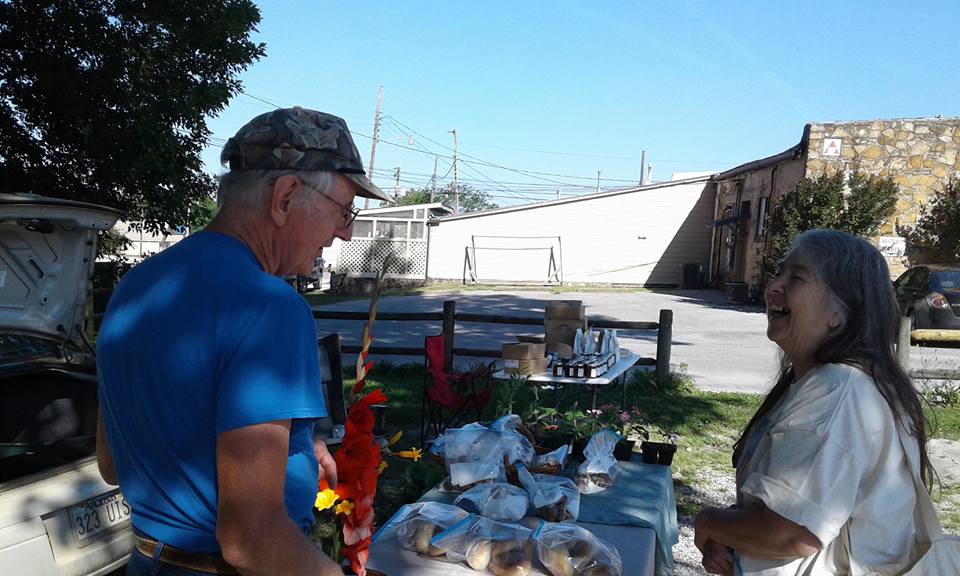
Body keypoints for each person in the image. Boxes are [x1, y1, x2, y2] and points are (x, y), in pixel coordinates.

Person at [96, 107, 391, 576]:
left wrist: (293, 445)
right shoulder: (270, 305)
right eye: (344, 210)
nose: (345, 233)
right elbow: (249, 540)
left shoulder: (134, 288)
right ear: (286, 196)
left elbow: (113, 463)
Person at [694, 229, 933, 576]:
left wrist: (708, 521)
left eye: (797, 277)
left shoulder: (839, 391)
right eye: (779, 273)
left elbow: (792, 535)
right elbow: (790, 514)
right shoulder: (839, 382)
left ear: (840, 311)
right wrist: (735, 534)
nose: (773, 287)